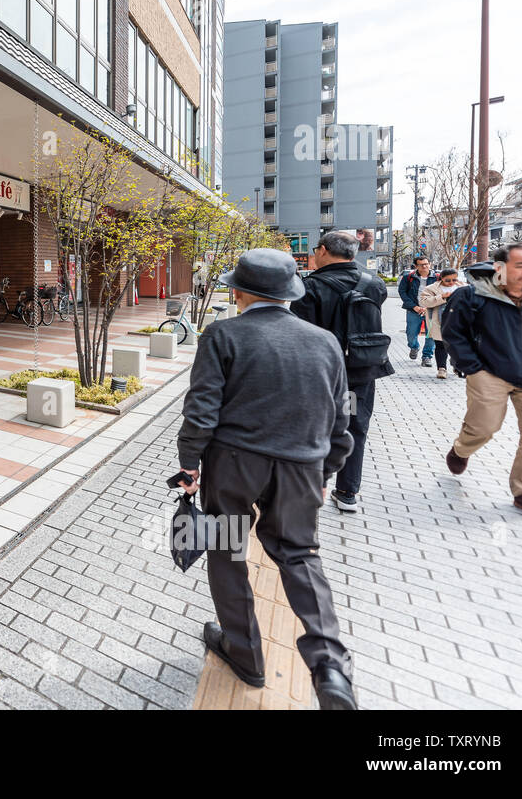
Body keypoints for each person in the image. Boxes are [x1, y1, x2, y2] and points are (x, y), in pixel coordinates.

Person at [176, 248, 357, 709]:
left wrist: (190, 465)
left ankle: (245, 652)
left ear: (239, 291)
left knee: (228, 549)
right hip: (301, 467)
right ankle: (330, 665)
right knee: (299, 555)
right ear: (288, 293)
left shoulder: (222, 335)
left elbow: (202, 408)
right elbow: (340, 418)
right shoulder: (324, 342)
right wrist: (329, 471)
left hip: (235, 465)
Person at [441, 242, 522, 521]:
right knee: (485, 426)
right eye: (521, 265)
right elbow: (453, 334)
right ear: (500, 268)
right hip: (489, 372)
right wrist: (472, 368)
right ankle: (461, 449)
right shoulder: (472, 296)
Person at [291, 230, 394, 513]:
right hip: (359, 371)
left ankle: (309, 486)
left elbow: (299, 333)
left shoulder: (310, 288)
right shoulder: (374, 284)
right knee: (354, 426)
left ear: (323, 250)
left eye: (314, 250)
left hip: (320, 374)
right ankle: (348, 491)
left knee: (313, 427)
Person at [418, 268, 465, 379]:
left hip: (459, 321)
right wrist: (442, 297)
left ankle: (456, 366)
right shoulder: (431, 288)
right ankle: (442, 369)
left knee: (457, 345)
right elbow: (423, 301)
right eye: (448, 280)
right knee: (440, 345)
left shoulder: (462, 287)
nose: (451, 283)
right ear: (441, 278)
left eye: (454, 279)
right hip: (439, 320)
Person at [398, 256, 439, 366]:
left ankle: (426, 356)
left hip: (431, 310)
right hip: (413, 310)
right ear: (416, 266)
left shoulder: (437, 277)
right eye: (421, 265)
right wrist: (414, 307)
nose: (425, 266)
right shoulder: (408, 277)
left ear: (430, 264)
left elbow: (441, 293)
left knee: (430, 335)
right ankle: (414, 347)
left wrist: (429, 306)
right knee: (411, 334)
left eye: (426, 264)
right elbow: (402, 292)